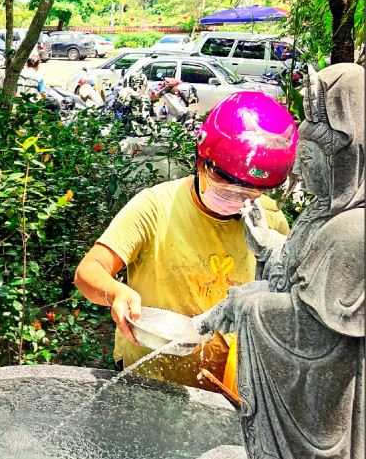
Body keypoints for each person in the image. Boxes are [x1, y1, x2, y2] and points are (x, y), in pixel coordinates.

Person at [196, 64, 364, 459]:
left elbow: (314, 331)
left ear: (345, 161)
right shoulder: (320, 213)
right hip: (305, 400)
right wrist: (268, 244)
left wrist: (245, 305)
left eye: (309, 161)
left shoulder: (352, 230)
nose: (299, 175)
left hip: (325, 410)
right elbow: (300, 277)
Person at [74, 92, 295, 391]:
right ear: (201, 161)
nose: (236, 202)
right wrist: (114, 291)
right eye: (225, 188)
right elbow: (89, 270)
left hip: (227, 382)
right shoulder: (155, 206)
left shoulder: (269, 222)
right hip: (148, 378)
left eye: (250, 195)